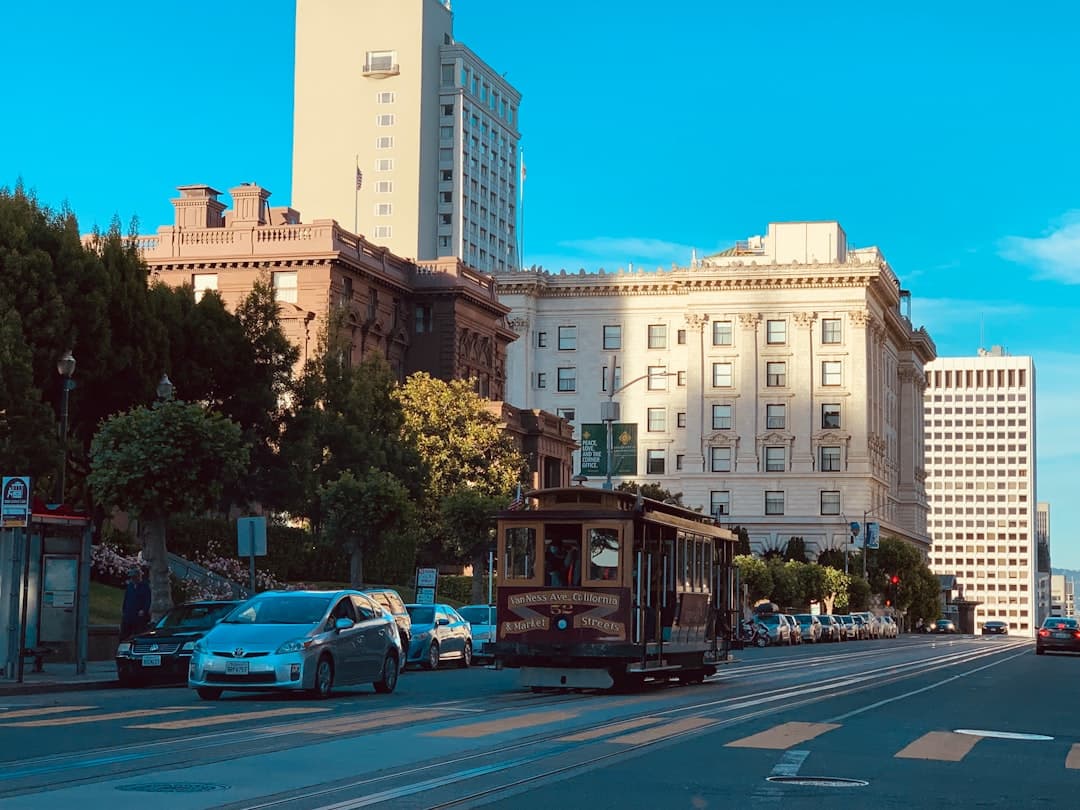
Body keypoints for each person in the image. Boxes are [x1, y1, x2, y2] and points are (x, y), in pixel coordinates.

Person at [121, 567, 151, 639]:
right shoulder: (130, 586)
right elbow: (126, 598)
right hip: (128, 615)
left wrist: (144, 610)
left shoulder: (145, 586)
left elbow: (148, 600)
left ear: (138, 576)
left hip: (139, 616)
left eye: (134, 577)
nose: (132, 579)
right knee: (125, 634)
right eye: (132, 577)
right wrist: (124, 610)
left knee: (138, 633)